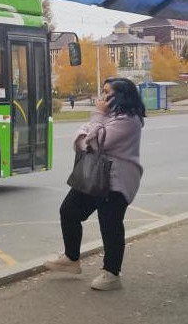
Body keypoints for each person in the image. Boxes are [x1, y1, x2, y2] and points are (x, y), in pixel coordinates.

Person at [45, 78, 145, 291]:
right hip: (95, 175)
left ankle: (112, 274)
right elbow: (83, 135)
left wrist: (94, 124)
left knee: (110, 224)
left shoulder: (129, 120)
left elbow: (98, 141)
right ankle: (71, 259)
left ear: (120, 96)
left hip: (117, 180)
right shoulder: (108, 116)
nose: (102, 96)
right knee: (69, 210)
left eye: (107, 92)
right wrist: (88, 137)